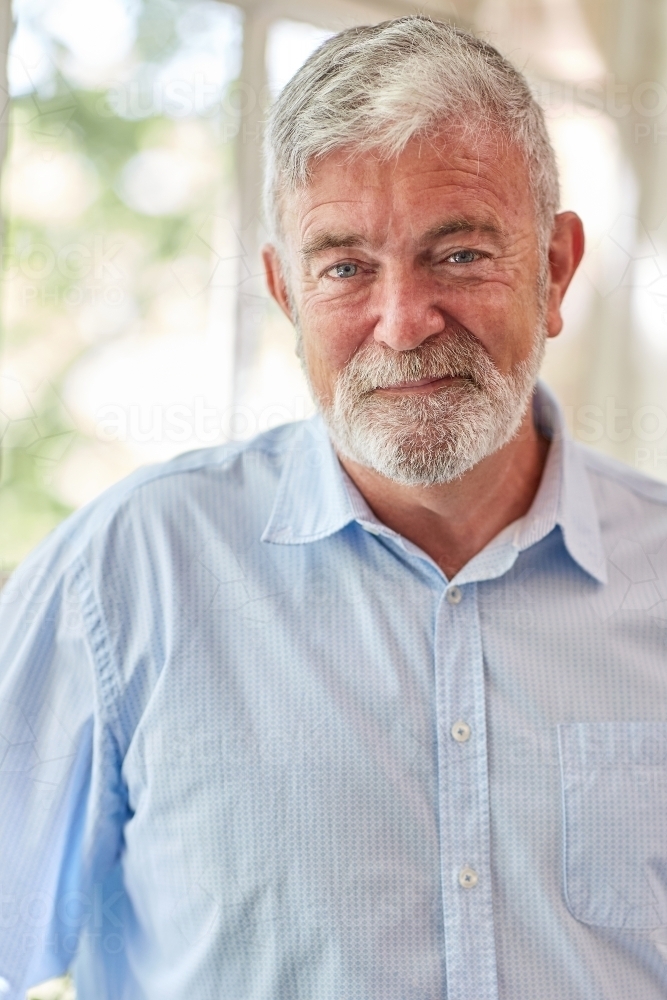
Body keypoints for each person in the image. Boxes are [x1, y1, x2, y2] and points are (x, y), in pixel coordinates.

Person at [1, 15, 666, 1000]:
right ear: (283, 291)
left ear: (555, 268)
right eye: (345, 266)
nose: (402, 321)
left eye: (460, 254)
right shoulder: (126, 576)